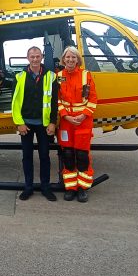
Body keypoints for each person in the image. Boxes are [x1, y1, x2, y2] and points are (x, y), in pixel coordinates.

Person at [11, 46, 59, 201]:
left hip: (44, 125)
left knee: (44, 156)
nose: (35, 59)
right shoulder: (19, 77)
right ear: (27, 58)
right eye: (32, 57)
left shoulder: (51, 77)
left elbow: (54, 102)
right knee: (27, 156)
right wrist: (19, 123)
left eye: (38, 56)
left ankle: (45, 187)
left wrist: (52, 123)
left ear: (42, 57)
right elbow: (15, 103)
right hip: (26, 125)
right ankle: (28, 187)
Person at [56, 46, 98, 203]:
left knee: (82, 155)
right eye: (67, 57)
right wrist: (65, 116)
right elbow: (57, 99)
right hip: (66, 122)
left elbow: (93, 99)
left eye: (73, 57)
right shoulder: (59, 76)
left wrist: (83, 115)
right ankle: (70, 187)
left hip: (83, 122)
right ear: (63, 59)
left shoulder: (86, 75)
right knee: (67, 154)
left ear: (78, 59)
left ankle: (82, 188)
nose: (70, 60)